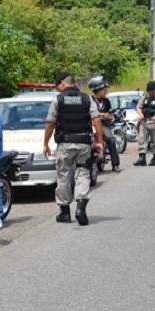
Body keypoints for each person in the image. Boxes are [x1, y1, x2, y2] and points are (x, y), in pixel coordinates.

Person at [43, 72, 103, 226]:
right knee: (83, 173)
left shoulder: (58, 99)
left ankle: (64, 212)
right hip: (83, 143)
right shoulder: (87, 98)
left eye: (58, 85)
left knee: (64, 175)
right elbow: (96, 121)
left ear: (63, 83)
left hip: (65, 143)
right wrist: (99, 142)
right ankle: (80, 208)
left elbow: (50, 122)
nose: (58, 89)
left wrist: (45, 143)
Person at [88, 76, 121, 172]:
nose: (106, 91)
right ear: (98, 89)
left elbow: (110, 114)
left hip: (103, 125)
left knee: (111, 140)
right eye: (104, 89)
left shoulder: (106, 101)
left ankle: (115, 164)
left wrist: (108, 116)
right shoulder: (90, 100)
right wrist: (102, 115)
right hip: (91, 125)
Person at [134, 81, 155, 167]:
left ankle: (154, 158)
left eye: (152, 92)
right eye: (149, 91)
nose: (150, 93)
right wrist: (140, 114)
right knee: (142, 139)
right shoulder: (144, 96)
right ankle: (142, 158)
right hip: (144, 121)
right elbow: (138, 107)